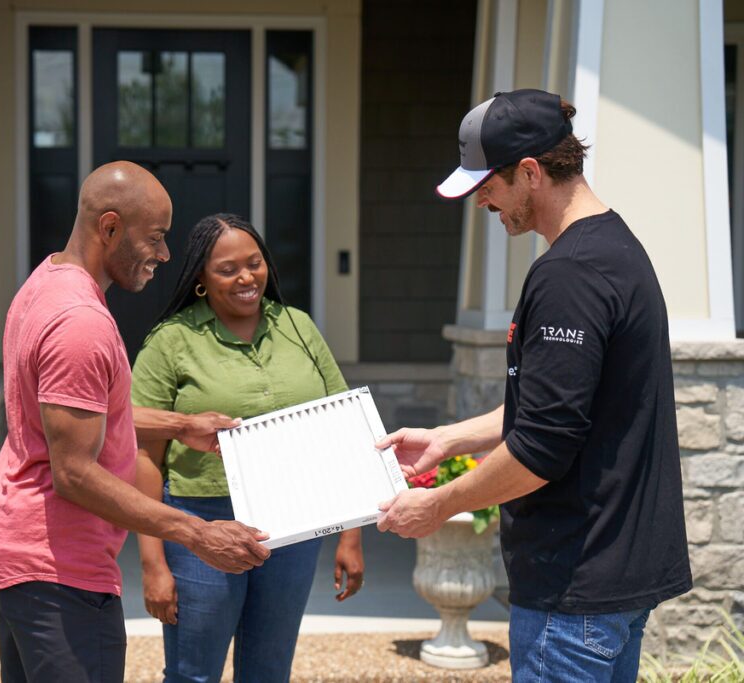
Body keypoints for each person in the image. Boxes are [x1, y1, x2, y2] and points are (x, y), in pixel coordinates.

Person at [376, 90, 692, 682]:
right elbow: (559, 405)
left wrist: (438, 504)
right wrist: (447, 439)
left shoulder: (569, 275)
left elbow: (542, 448)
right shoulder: (616, 246)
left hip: (573, 586)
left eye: (486, 184)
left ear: (529, 172)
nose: (480, 202)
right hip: (615, 578)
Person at [0, 163, 271, 683]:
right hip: (57, 566)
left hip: (23, 550)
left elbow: (81, 410)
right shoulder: (81, 323)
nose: (165, 254)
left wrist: (179, 427)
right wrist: (198, 534)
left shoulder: (45, 282)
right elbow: (75, 473)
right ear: (110, 227)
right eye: (155, 237)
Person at [131, 213, 365, 683]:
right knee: (193, 674)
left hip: (296, 524)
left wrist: (351, 535)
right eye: (227, 269)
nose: (246, 277)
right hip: (202, 523)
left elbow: (346, 426)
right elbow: (143, 456)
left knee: (269, 671)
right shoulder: (170, 341)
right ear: (201, 277)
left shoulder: (297, 326)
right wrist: (153, 563)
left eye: (254, 263)